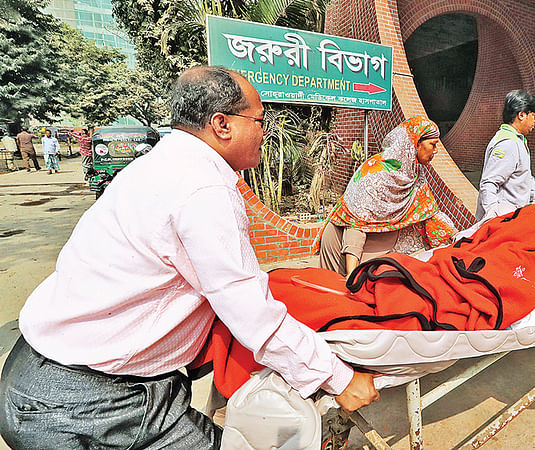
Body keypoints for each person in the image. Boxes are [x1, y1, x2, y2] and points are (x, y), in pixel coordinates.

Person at [0, 66, 379, 449]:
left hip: (52, 374)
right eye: (260, 120)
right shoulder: (203, 189)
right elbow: (252, 314)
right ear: (222, 124)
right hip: (82, 401)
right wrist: (338, 377)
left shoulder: (161, 164)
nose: (265, 132)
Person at [318, 116, 457, 276]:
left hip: (373, 247)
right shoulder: (376, 174)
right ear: (415, 144)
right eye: (432, 144)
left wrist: (459, 237)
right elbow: (356, 223)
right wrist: (352, 273)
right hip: (341, 245)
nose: (436, 150)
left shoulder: (414, 173)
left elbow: (429, 214)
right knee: (336, 291)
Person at [476, 89, 535, 220]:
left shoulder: (518, 140)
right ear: (521, 115)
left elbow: (526, 177)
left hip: (515, 216)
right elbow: (489, 183)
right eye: (534, 116)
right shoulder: (508, 143)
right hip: (504, 218)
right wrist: (494, 217)